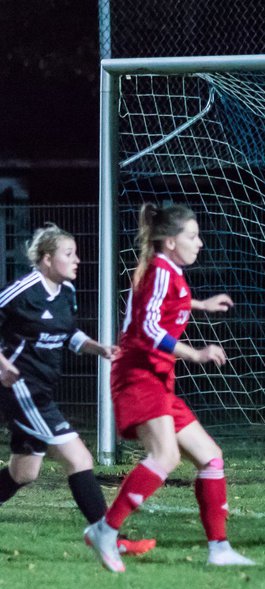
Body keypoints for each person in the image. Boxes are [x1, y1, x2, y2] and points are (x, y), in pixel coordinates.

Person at [83, 203, 255, 571]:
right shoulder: (161, 270)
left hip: (157, 378)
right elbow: (149, 329)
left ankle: (219, 548)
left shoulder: (167, 271)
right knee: (165, 456)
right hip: (138, 375)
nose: (200, 243)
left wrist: (201, 305)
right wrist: (194, 354)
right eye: (192, 236)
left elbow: (165, 303)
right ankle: (106, 530)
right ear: (170, 241)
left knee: (210, 457)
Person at [0, 224, 153, 569]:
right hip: (22, 390)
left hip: (42, 389)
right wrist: (2, 365)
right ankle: (107, 535)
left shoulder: (66, 292)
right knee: (79, 457)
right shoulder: (22, 291)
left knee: (24, 473)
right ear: (46, 258)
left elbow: (67, 333)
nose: (77, 260)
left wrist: (98, 348)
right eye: (69, 254)